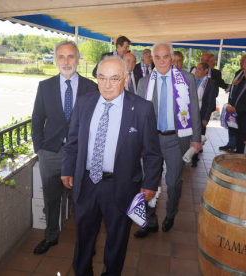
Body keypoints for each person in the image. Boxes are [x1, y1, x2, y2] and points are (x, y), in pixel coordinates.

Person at [62, 56, 162, 275]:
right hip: (86, 182)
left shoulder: (142, 109)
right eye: (102, 78)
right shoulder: (84, 103)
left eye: (114, 79)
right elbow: (73, 142)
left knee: (117, 240)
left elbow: (153, 153)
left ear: (125, 79)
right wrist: (68, 169)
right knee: (83, 236)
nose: (107, 85)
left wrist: (150, 183)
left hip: (121, 185)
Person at [31, 40, 98, 255]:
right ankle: (51, 236)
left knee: (84, 200)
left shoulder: (91, 87)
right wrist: (40, 148)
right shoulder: (45, 86)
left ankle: (86, 242)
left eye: (70, 56)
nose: (66, 61)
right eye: (61, 56)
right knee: (51, 199)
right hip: (51, 153)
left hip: (81, 155)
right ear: (55, 60)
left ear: (78, 59)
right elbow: (37, 120)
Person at [135, 42, 202, 238]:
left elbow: (194, 111)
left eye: (165, 57)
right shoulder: (144, 83)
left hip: (175, 139)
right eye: (158, 57)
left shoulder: (187, 78)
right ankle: (151, 221)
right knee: (150, 182)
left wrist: (196, 138)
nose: (162, 61)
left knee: (173, 183)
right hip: (151, 140)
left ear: (171, 58)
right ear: (152, 59)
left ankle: (171, 213)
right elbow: (138, 116)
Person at [219, 54, 246, 151]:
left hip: (240, 106)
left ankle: (236, 146)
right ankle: (231, 143)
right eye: (240, 61)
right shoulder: (239, 72)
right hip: (233, 101)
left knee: (237, 126)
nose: (241, 63)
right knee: (231, 124)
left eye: (243, 61)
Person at [191, 62, 218, 167]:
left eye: (199, 69)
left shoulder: (211, 83)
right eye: (196, 68)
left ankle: (194, 157)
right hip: (190, 112)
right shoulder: (192, 79)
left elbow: (210, 102)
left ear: (205, 71)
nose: (196, 71)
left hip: (201, 113)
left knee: (198, 135)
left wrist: (206, 118)